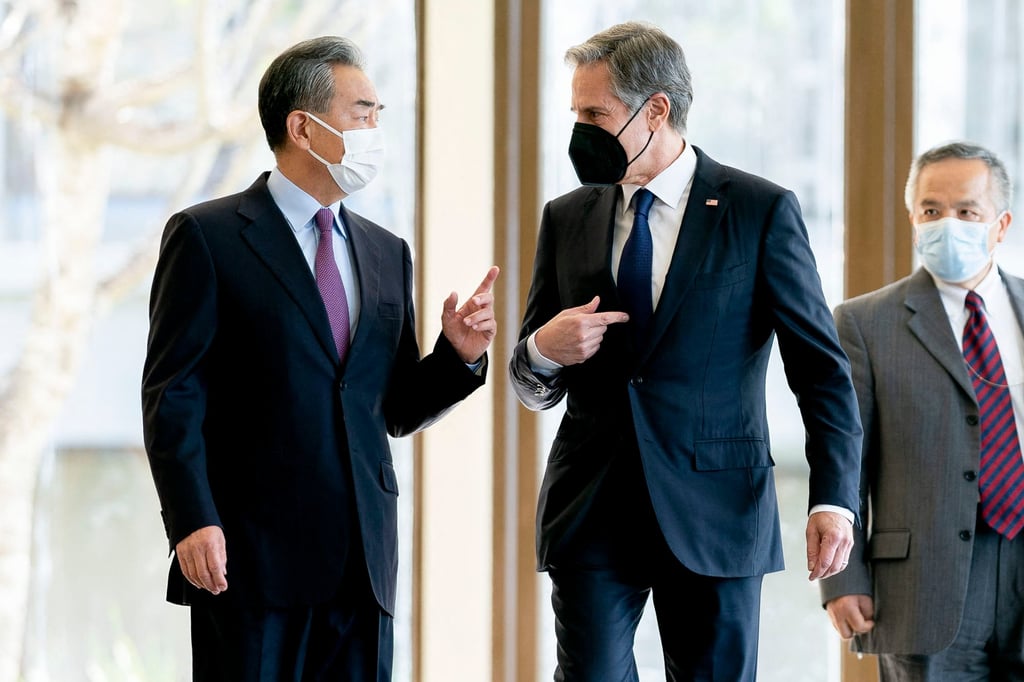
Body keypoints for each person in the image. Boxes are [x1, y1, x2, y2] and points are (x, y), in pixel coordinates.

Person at [509, 21, 862, 681]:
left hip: (717, 510)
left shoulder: (759, 210)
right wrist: (542, 350)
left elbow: (820, 372)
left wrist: (833, 498)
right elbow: (531, 382)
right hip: (591, 508)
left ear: (658, 109)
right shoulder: (568, 215)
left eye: (596, 114)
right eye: (576, 113)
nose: (580, 131)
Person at [141, 36, 498, 681]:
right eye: (363, 112)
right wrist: (191, 519)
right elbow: (174, 394)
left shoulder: (387, 251)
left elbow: (388, 408)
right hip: (250, 562)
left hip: (363, 566)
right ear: (303, 127)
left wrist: (456, 357)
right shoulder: (208, 237)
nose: (375, 129)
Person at [820, 141, 1024, 680]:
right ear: (913, 218)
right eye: (932, 210)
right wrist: (843, 579)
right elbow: (846, 459)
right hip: (923, 582)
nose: (947, 224)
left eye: (967, 211)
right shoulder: (864, 323)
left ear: (1000, 224)